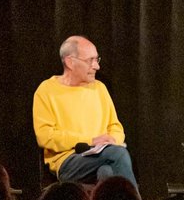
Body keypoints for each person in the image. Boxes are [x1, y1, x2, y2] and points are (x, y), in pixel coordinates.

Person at [33, 35, 137, 187]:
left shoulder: (99, 88)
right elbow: (45, 136)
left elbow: (115, 126)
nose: (97, 66)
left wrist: (112, 140)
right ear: (70, 62)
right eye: (91, 60)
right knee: (117, 155)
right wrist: (90, 141)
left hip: (104, 155)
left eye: (97, 60)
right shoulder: (47, 90)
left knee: (107, 172)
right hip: (68, 161)